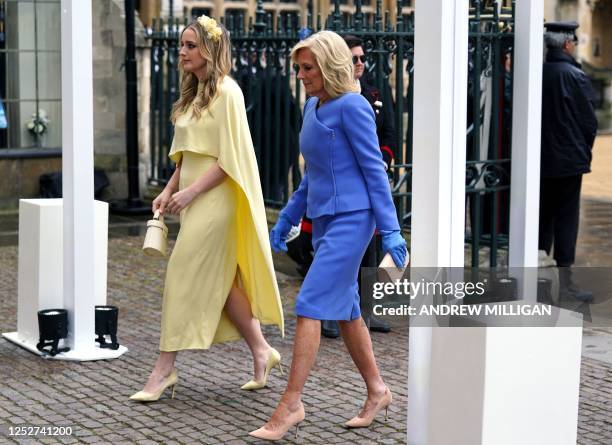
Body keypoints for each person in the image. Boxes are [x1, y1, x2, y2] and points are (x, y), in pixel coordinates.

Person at [249, 31, 407, 441]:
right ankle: (378, 391)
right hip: (323, 221)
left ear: (329, 65)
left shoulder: (353, 106)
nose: (300, 75)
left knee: (310, 303)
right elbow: (311, 175)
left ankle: (291, 404)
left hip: (354, 220)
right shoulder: (310, 107)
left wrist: (390, 229)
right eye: (298, 68)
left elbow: (375, 169)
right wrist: (287, 219)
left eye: (308, 67)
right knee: (348, 309)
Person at [129, 15, 284, 402]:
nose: (182, 52)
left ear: (210, 50)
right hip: (195, 196)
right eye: (181, 45)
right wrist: (169, 191)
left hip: (219, 199)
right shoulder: (193, 94)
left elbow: (229, 159)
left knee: (181, 272)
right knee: (226, 283)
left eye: (190, 46)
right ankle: (263, 351)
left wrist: (191, 193)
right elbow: (187, 158)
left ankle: (163, 370)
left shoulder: (228, 93)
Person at [320, 34, 397, 338]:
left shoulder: (375, 91)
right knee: (339, 250)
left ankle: (369, 309)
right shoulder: (329, 96)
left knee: (372, 248)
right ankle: (329, 312)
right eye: (355, 59)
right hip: (343, 184)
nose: (361, 64)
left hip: (373, 178)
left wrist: (384, 162)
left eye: (363, 58)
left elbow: (390, 132)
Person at [539, 21, 598, 301]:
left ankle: (539, 281)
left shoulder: (538, 73)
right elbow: (588, 122)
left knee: (542, 219)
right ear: (566, 44)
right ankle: (565, 282)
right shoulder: (574, 75)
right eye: (573, 42)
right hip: (568, 160)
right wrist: (584, 150)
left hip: (540, 160)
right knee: (566, 220)